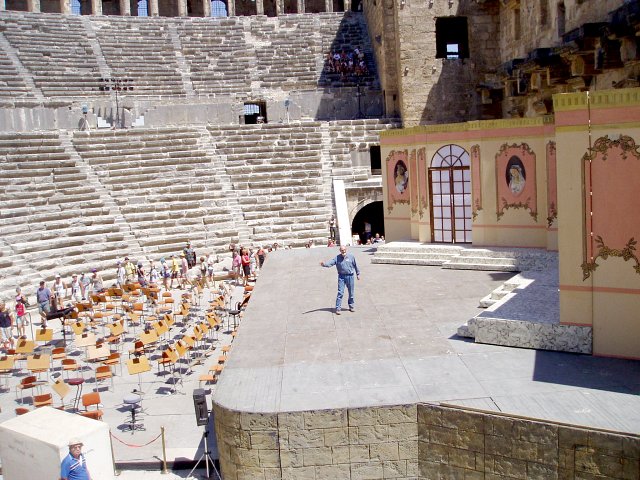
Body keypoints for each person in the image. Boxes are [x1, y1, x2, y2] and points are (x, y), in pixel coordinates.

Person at [320, 245, 361, 315]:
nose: (343, 251)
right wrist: (324, 264)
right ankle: (338, 308)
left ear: (346, 249)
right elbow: (331, 263)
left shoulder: (351, 256)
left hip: (350, 276)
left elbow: (355, 265)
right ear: (340, 251)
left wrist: (358, 274)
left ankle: (351, 306)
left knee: (351, 293)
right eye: (342, 250)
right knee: (340, 292)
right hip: (341, 277)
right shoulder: (337, 258)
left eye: (344, 250)